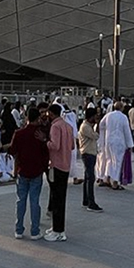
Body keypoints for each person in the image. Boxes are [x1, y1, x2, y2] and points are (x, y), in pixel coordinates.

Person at [9, 106, 48, 240]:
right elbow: (46, 152)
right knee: (35, 201)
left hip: (23, 170)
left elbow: (13, 150)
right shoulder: (40, 134)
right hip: (36, 170)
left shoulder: (19, 133)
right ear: (38, 118)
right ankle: (35, 231)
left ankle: (19, 229)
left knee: (21, 201)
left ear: (26, 117)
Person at [44, 103, 74, 242]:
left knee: (56, 198)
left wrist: (46, 142)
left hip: (56, 165)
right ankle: (57, 227)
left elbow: (55, 145)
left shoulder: (55, 126)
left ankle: (58, 230)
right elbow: (72, 145)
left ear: (52, 113)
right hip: (66, 164)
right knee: (61, 197)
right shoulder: (68, 126)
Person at [97, 103, 132, 190]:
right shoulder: (123, 117)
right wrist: (130, 144)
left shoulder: (108, 115)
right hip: (119, 141)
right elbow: (127, 131)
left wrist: (104, 134)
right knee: (117, 162)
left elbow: (101, 125)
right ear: (121, 108)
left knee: (109, 160)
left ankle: (107, 178)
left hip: (108, 141)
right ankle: (115, 182)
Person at [78, 108, 102, 212]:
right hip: (88, 154)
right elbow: (96, 136)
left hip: (89, 153)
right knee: (90, 178)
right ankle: (91, 203)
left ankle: (86, 200)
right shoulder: (85, 127)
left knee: (87, 177)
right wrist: (98, 127)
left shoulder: (87, 126)